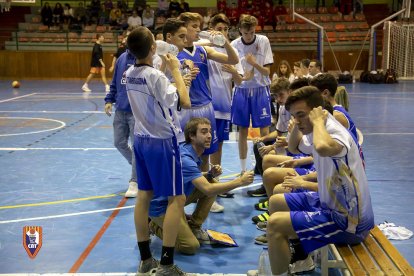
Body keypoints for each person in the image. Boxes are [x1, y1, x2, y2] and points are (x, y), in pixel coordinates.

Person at [252, 86, 374, 276]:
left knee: (275, 223)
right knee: (276, 200)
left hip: (349, 221)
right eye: (294, 115)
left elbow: (323, 147)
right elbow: (294, 147)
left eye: (301, 115)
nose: (297, 121)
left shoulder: (335, 133)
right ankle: (301, 257)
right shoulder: (317, 129)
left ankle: (284, 268)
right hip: (330, 203)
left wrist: (317, 121)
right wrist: (298, 125)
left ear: (318, 112)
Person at [125, 26, 191, 276]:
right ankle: (166, 264)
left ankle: (145, 260)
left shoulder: (130, 72)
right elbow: (184, 102)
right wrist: (176, 70)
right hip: (162, 141)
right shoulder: (157, 77)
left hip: (141, 139)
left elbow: (152, 87)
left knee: (144, 195)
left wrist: (166, 72)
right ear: (153, 48)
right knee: (177, 199)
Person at [148, 117, 255, 254]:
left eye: (210, 132)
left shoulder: (189, 150)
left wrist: (208, 174)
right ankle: (153, 225)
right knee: (190, 246)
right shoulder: (185, 158)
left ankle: (194, 226)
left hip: (176, 197)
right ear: (192, 136)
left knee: (211, 181)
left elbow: (188, 178)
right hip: (161, 206)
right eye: (204, 132)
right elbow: (207, 190)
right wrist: (240, 181)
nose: (209, 136)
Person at [177, 12, 239, 173]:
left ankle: (205, 193)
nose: (198, 30)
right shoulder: (173, 52)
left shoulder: (203, 50)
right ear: (183, 28)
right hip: (184, 108)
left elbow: (234, 60)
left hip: (205, 107)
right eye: (194, 26)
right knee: (183, 153)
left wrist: (224, 42)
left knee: (204, 153)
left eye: (199, 26)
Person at [230, 14, 274, 174]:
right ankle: (243, 169)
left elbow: (267, 71)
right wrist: (242, 77)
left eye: (252, 32)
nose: (249, 36)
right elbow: (232, 72)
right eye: (246, 32)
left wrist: (254, 63)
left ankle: (265, 166)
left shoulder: (263, 41)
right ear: (240, 30)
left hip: (260, 90)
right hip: (241, 90)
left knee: (264, 130)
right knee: (242, 129)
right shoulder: (234, 45)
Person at [104, 43, 138, 198]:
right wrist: (109, 100)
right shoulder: (122, 58)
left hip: (136, 112)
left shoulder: (143, 59)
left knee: (137, 148)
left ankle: (134, 181)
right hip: (120, 110)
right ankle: (140, 168)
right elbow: (114, 82)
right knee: (119, 142)